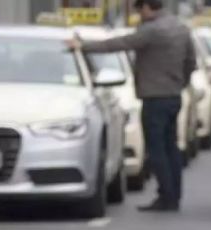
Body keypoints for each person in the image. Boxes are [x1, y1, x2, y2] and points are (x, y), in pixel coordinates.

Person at [67, 0, 195, 212]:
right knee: (171, 147)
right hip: (173, 96)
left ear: (146, 7)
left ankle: (166, 196)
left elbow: (119, 44)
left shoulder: (152, 30)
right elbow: (191, 61)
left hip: (154, 98)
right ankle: (174, 195)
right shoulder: (180, 27)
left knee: (157, 150)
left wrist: (83, 46)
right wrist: (180, 83)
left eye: (139, 10)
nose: (138, 15)